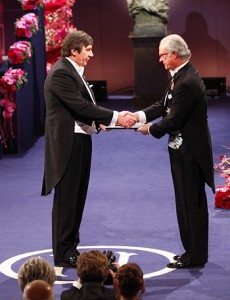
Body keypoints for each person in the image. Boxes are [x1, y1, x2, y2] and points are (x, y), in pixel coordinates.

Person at [41, 30, 137, 268]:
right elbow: (79, 105)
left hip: (80, 141)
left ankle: (71, 248)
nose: (92, 54)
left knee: (77, 197)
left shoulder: (71, 70)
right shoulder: (62, 72)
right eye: (88, 50)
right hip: (67, 146)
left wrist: (99, 121)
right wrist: (116, 116)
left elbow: (81, 108)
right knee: (67, 200)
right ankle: (64, 252)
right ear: (74, 50)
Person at [133, 34, 215, 268]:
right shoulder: (180, 77)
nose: (160, 60)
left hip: (190, 153)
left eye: (162, 55)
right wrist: (138, 116)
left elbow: (173, 119)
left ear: (174, 55)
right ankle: (191, 251)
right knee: (185, 202)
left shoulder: (187, 81)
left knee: (191, 204)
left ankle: (196, 255)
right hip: (182, 151)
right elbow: (163, 105)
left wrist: (148, 128)